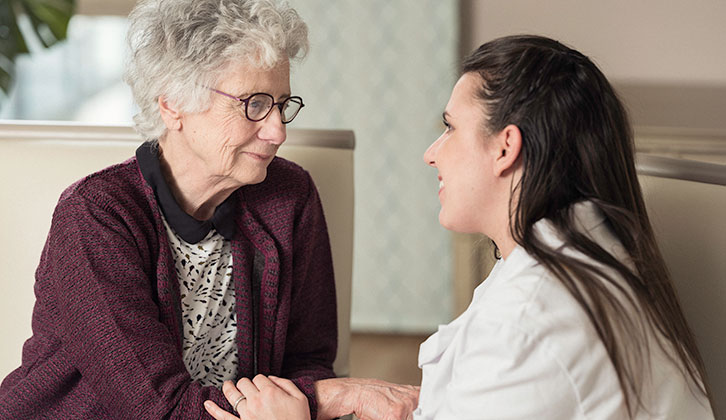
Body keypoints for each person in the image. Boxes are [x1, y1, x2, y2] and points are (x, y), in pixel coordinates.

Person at [206, 35, 716, 419]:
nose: (432, 153)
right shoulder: (572, 260)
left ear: (505, 147)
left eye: (449, 128)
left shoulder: (530, 320)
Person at [0, 0, 340, 418]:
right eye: (253, 104)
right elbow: (155, 408)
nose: (277, 131)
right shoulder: (95, 216)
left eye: (282, 104)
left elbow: (309, 360)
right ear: (172, 104)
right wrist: (336, 398)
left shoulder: (290, 196)